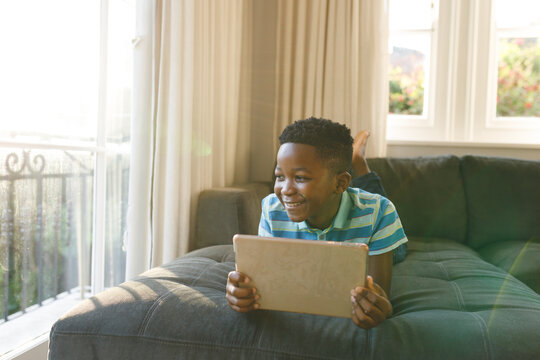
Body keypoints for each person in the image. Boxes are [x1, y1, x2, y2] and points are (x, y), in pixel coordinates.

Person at [226, 117, 408, 329]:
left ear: (341, 183)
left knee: (383, 215)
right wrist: (242, 291)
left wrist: (378, 307)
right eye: (280, 176)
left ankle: (359, 162)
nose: (285, 190)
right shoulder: (272, 208)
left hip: (379, 231)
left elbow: (380, 295)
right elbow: (267, 279)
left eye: (300, 178)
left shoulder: (380, 212)